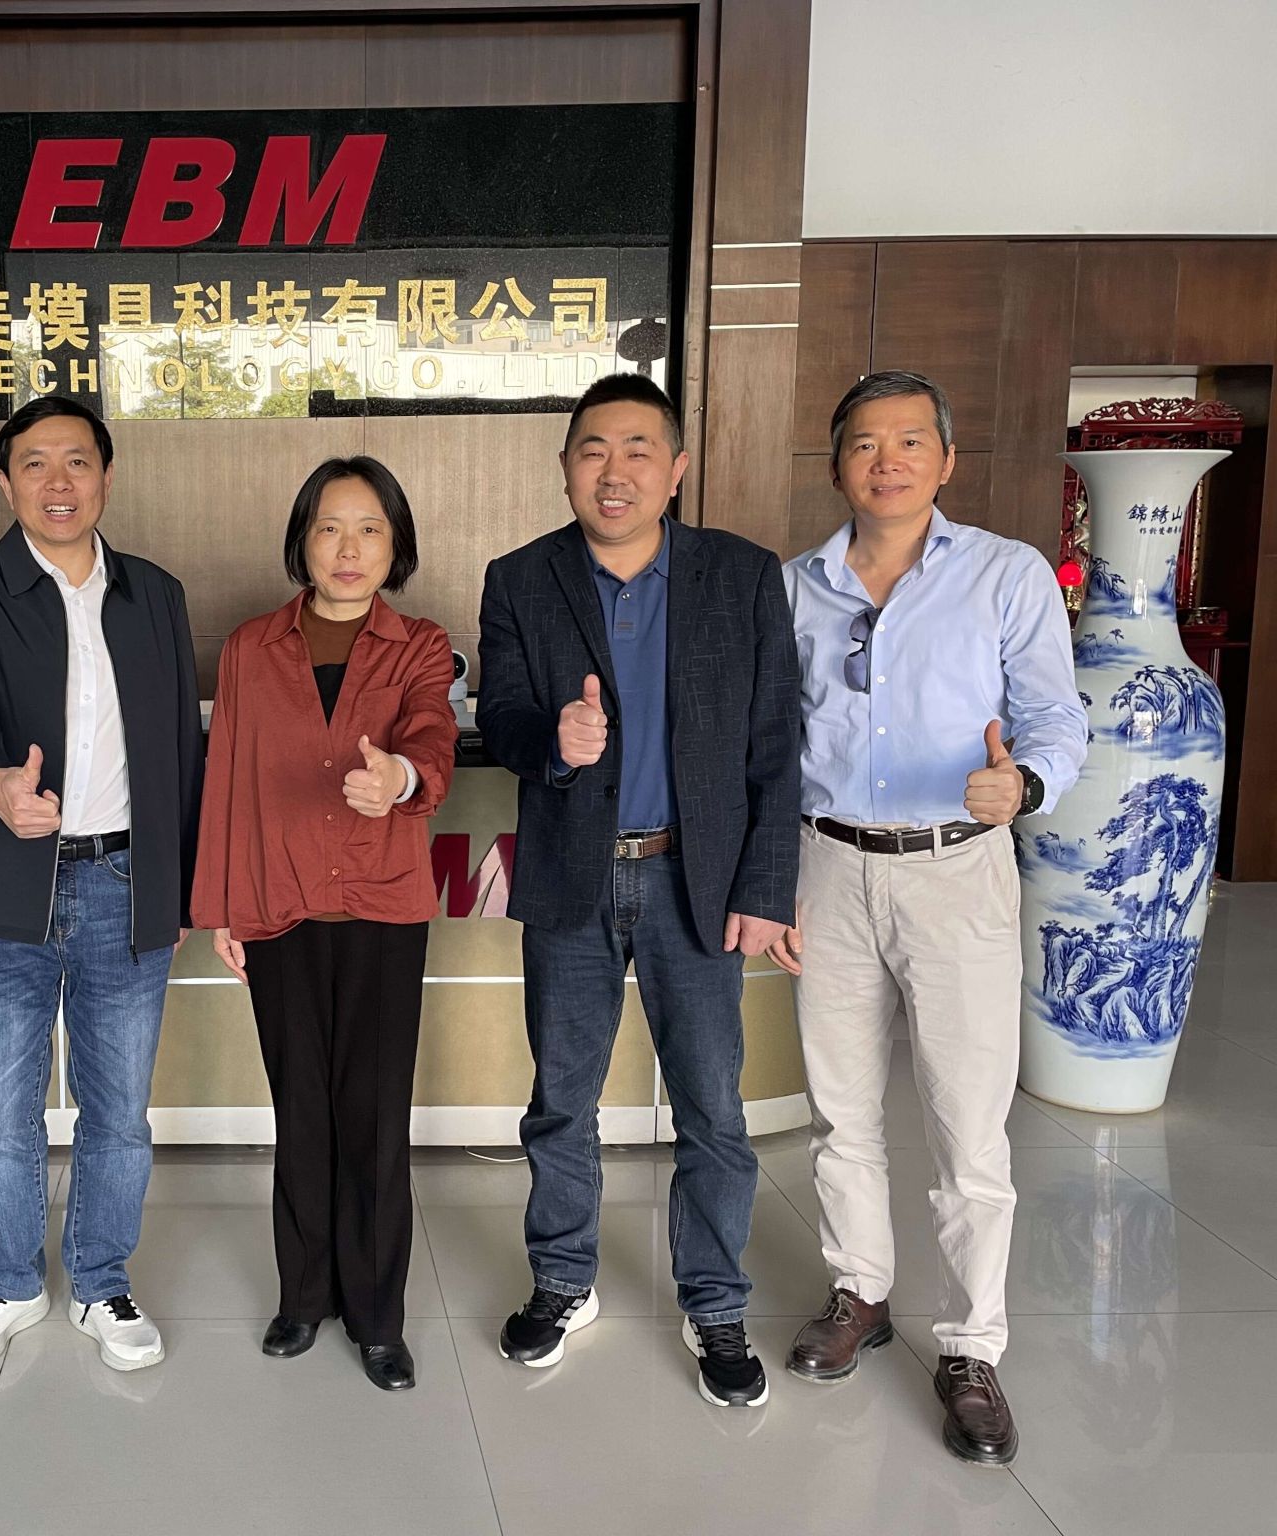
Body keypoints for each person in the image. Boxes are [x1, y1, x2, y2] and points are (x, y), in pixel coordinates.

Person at [769, 370, 1085, 1465]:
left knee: (965, 1124)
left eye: (910, 441)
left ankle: (970, 1346)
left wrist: (1024, 785)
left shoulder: (1005, 574)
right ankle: (858, 1292)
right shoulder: (794, 588)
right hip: (826, 865)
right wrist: (770, 882)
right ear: (836, 466)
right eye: (865, 443)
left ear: (945, 461)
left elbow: (1054, 718)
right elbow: (773, 746)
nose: (887, 460)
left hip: (956, 869)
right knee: (840, 1109)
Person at [477, 373, 800, 1407]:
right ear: (565, 467)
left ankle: (714, 1301)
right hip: (571, 878)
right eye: (591, 451)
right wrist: (555, 741)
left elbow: (774, 742)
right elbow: (502, 715)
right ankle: (562, 1280)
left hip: (692, 880)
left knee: (712, 1108)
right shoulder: (519, 578)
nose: (611, 472)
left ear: (675, 468)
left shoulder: (740, 575)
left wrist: (766, 885)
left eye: (635, 450)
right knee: (560, 1101)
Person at [0, 396, 203, 1372]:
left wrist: (177, 886)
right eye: (34, 463)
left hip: (126, 879)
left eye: (76, 461)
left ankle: (100, 1280)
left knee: (118, 1111)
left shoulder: (153, 591)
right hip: (6, 883)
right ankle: (10, 1280)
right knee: (4, 1113)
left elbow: (181, 744)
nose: (57, 481)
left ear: (106, 476)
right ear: (5, 483)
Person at [193, 457, 458, 1392]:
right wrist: (222, 905)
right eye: (330, 527)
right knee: (301, 1106)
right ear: (302, 540)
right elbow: (226, 775)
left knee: (375, 1116)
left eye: (370, 528)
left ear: (396, 545)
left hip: (384, 904)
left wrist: (401, 779)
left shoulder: (420, 645)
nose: (349, 548)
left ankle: (378, 1317)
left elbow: (431, 735)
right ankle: (303, 1295)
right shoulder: (249, 647)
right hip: (280, 904)